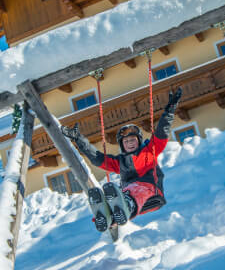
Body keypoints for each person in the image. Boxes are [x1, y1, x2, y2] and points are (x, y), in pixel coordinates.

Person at [63, 87, 183, 231]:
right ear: (122, 145)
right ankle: (106, 216)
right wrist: (78, 139)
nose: (130, 143)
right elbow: (97, 159)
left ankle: (127, 205)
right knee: (115, 192)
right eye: (126, 142)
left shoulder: (150, 151)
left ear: (138, 141)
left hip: (151, 192)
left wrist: (170, 109)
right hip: (128, 194)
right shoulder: (119, 162)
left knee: (134, 188)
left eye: (132, 140)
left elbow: (161, 132)